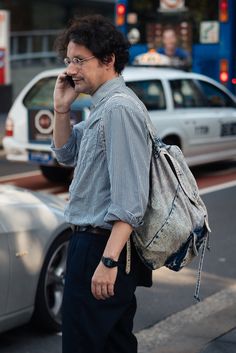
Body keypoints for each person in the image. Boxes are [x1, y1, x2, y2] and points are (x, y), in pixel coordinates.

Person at [51, 14, 152, 353]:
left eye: (79, 60)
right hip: (96, 246)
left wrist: (108, 263)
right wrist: (61, 109)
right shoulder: (102, 107)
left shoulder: (118, 109)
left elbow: (131, 198)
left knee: (85, 345)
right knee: (112, 345)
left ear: (108, 60)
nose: (71, 69)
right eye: (68, 60)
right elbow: (66, 154)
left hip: (103, 247)